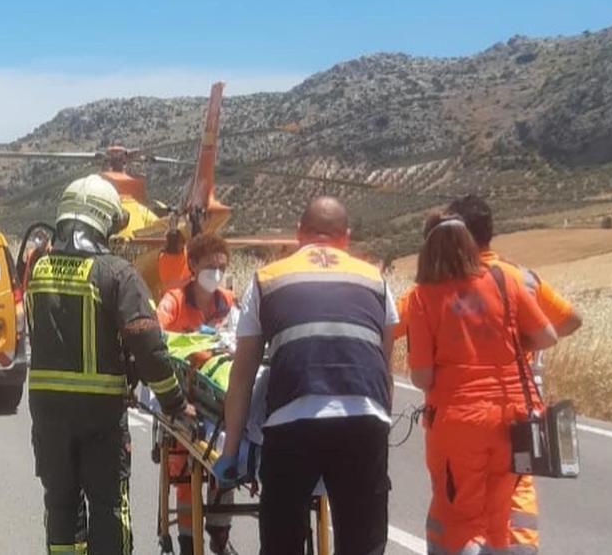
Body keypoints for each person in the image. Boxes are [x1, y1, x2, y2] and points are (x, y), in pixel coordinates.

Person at [218, 196, 397, 555]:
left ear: (300, 234)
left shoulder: (268, 278)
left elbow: (242, 374)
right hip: (364, 419)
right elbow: (384, 367)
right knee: (363, 544)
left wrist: (232, 449)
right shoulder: (376, 282)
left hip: (292, 421)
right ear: (345, 237)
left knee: (282, 540)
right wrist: (378, 429)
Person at [28, 174, 194, 555]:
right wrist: (175, 403)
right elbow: (148, 345)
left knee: (61, 504)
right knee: (108, 506)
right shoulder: (116, 273)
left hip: (48, 413)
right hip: (100, 415)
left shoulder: (37, 270)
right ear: (103, 220)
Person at [402, 214, 558, 555]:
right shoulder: (505, 279)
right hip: (513, 417)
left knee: (461, 520)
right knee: (497, 520)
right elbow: (547, 335)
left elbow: (422, 377)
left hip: (459, 421)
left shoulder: (422, 297)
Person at [156, 233, 235, 555]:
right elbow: (157, 339)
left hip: (217, 391)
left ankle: (218, 533)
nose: (215, 273)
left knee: (226, 460)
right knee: (186, 468)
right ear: (192, 265)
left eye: (221, 267)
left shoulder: (227, 302)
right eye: (209, 266)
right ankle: (189, 542)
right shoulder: (174, 301)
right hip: (185, 395)